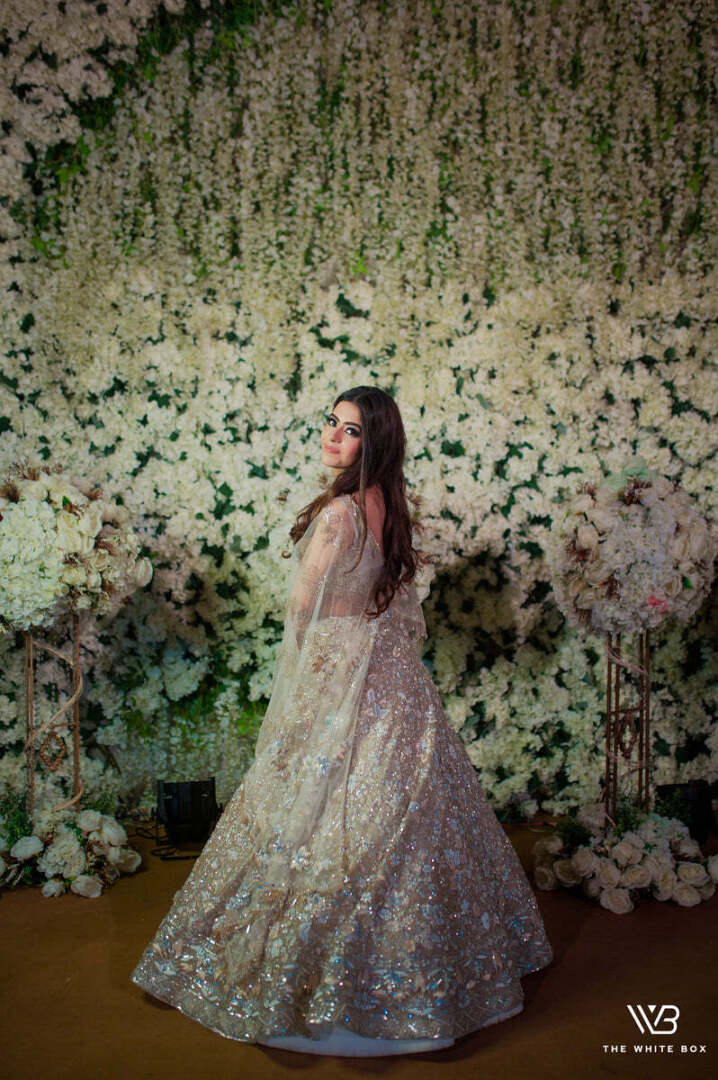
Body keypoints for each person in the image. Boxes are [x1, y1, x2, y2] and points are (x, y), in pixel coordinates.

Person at [131, 385, 553, 1056]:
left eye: (349, 429)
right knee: (403, 807)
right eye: (331, 422)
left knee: (325, 810)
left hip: (342, 671)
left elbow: (304, 611)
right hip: (393, 676)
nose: (332, 436)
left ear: (373, 442)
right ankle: (420, 980)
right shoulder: (389, 505)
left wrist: (306, 686)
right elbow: (389, 604)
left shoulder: (338, 514)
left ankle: (325, 982)